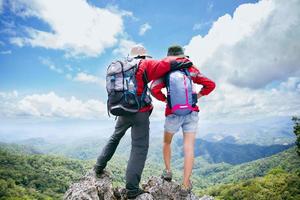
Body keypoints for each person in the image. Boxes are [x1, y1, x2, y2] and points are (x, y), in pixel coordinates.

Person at [94, 45, 192, 199]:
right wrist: (184, 61)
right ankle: (132, 189)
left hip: (122, 110)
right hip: (139, 113)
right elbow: (167, 64)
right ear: (143, 56)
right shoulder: (145, 64)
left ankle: (99, 166)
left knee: (115, 137)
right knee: (139, 147)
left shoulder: (122, 65)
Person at [150, 45, 216, 198]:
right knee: (189, 148)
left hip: (173, 113)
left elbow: (154, 88)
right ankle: (185, 185)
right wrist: (197, 97)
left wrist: (166, 99)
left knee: (167, 142)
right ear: (182, 55)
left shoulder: (165, 69)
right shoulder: (190, 68)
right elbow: (210, 84)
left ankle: (167, 172)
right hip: (191, 112)